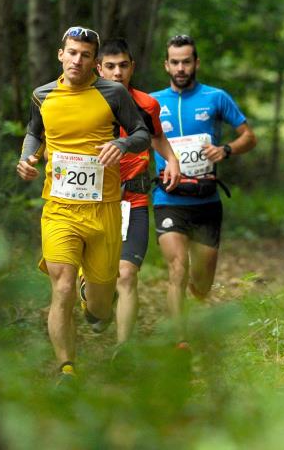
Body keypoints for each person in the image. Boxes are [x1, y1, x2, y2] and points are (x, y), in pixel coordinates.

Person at [16, 27, 151, 382]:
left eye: (85, 55)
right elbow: (35, 133)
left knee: (100, 305)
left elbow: (140, 133)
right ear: (61, 54)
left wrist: (121, 146)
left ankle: (91, 297)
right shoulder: (42, 95)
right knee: (60, 285)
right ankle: (67, 369)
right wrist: (28, 158)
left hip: (103, 209)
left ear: (94, 62)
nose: (77, 60)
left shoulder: (113, 93)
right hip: (59, 208)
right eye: (72, 52)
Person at [151, 34, 256, 347]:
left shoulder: (216, 97)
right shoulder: (153, 103)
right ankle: (179, 340)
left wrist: (226, 150)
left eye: (186, 61)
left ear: (196, 63)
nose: (181, 68)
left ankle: (198, 303)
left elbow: (249, 137)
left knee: (202, 283)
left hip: (206, 200)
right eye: (175, 62)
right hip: (168, 199)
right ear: (166, 65)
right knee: (177, 268)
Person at [96, 38, 181, 346]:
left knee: (127, 275)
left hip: (133, 200)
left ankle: (123, 350)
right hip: (91, 202)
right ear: (99, 68)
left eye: (123, 66)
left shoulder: (146, 104)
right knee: (99, 288)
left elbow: (157, 137)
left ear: (132, 67)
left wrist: (171, 159)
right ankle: (97, 309)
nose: (117, 73)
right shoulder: (82, 103)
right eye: (110, 67)